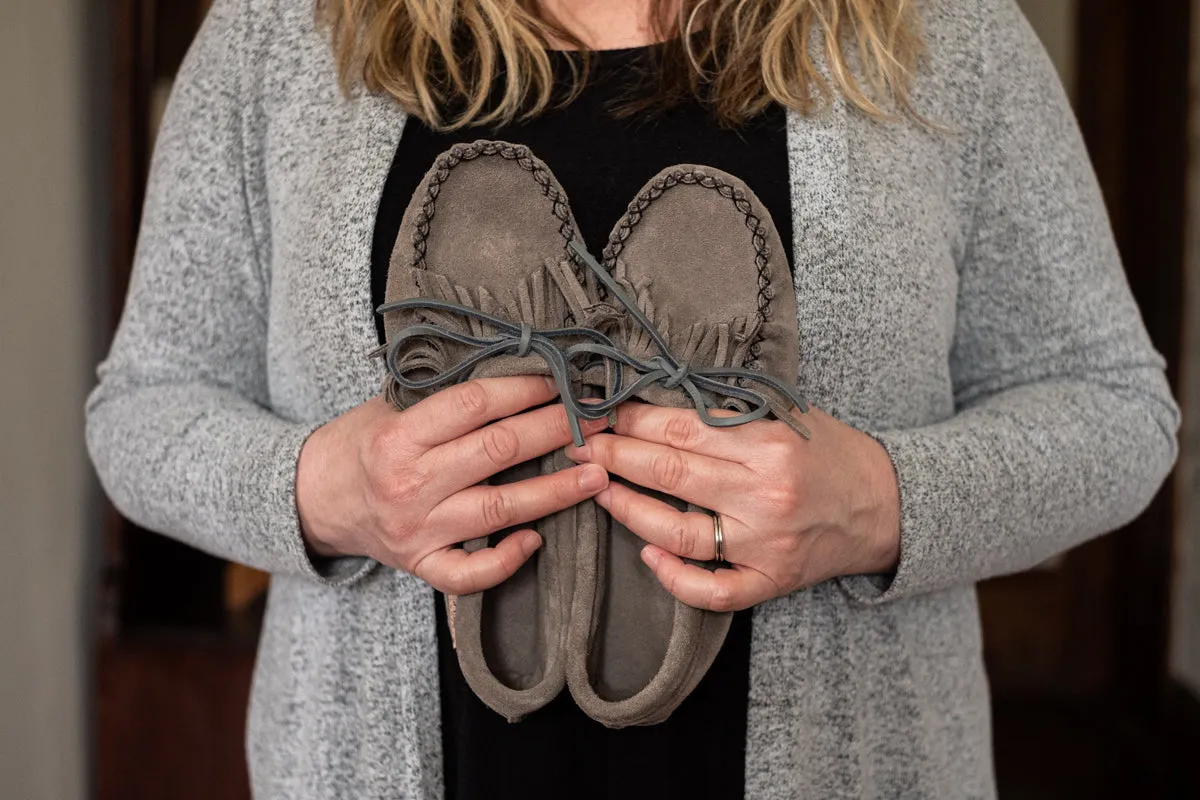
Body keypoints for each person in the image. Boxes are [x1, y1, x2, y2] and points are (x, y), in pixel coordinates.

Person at [85, 0, 1179, 797]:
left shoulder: (943, 33)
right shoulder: (280, 33)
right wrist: (327, 488)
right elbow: (142, 407)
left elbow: (1116, 406)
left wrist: (884, 501)